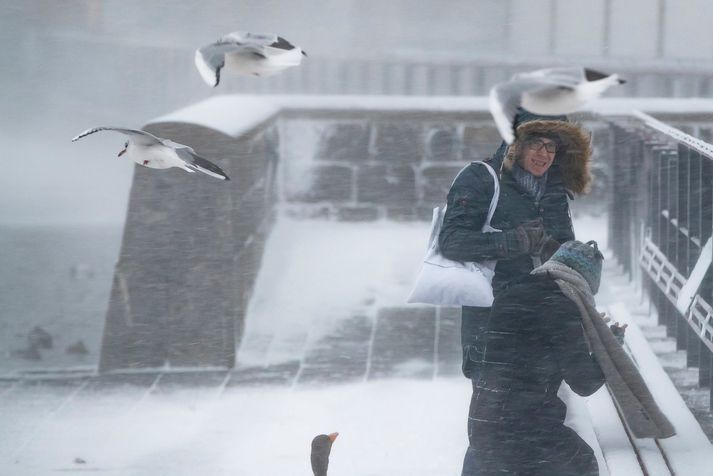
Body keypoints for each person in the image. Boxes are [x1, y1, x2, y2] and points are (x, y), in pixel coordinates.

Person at [438, 110, 593, 379]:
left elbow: (562, 249)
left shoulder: (553, 190)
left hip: (544, 318)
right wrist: (511, 242)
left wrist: (575, 258)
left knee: (544, 408)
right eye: (536, 143)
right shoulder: (480, 179)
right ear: (516, 144)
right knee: (495, 409)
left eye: (551, 146)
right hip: (494, 319)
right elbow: (452, 241)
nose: (543, 154)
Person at [462, 240, 607, 476]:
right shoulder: (560, 307)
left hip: (482, 424)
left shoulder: (510, 292)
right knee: (582, 463)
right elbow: (584, 382)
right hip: (525, 429)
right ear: (583, 283)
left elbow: (477, 358)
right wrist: (607, 351)